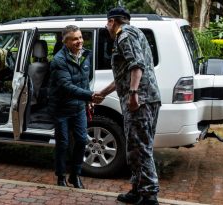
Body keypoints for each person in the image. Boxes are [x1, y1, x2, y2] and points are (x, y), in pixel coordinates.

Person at [97, 7, 162, 205]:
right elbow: (124, 74)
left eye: (107, 23)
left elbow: (136, 65)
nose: (107, 26)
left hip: (140, 101)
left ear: (112, 21)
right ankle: (137, 190)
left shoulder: (124, 36)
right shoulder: (136, 33)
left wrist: (133, 94)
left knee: (140, 148)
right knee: (135, 147)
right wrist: (103, 93)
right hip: (146, 98)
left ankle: (150, 196)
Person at [48, 25, 103, 189]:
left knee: (81, 140)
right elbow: (66, 86)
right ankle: (60, 176)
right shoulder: (59, 61)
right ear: (65, 41)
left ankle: (75, 175)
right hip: (61, 109)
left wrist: (88, 100)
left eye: (80, 37)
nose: (79, 41)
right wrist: (90, 95)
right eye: (75, 38)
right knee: (63, 143)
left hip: (79, 107)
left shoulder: (86, 55)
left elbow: (86, 79)